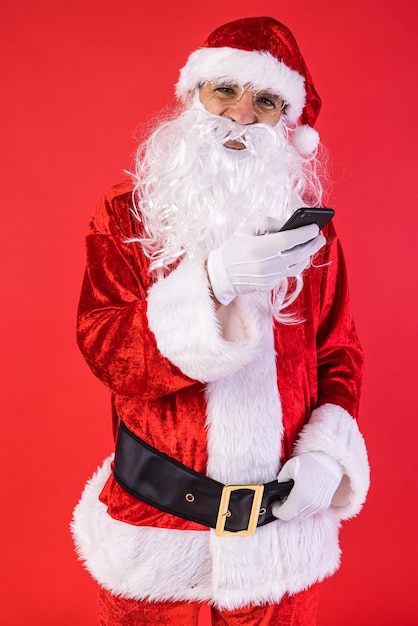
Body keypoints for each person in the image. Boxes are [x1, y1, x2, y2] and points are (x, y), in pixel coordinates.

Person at [72, 16, 370, 626]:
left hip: (279, 536)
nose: (239, 115)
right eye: (225, 90)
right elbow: (107, 348)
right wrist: (212, 285)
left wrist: (326, 455)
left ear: (287, 124)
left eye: (264, 101)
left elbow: (338, 353)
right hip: (158, 526)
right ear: (194, 96)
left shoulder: (311, 235)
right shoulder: (128, 213)